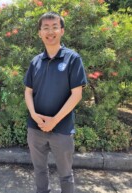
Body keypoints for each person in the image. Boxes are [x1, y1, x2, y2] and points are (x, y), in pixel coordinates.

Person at [24, 12, 87, 193]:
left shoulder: (72, 59)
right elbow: (28, 92)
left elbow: (77, 95)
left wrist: (54, 121)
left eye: (54, 27)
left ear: (62, 31)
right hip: (36, 128)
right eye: (46, 28)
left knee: (65, 174)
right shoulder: (35, 61)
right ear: (40, 33)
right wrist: (35, 116)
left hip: (62, 129)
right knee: (39, 170)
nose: (50, 31)